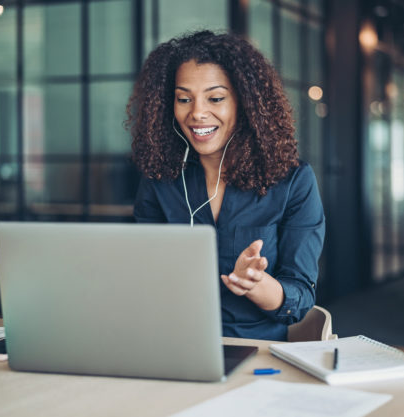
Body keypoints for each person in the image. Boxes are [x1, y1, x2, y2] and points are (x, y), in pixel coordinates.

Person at [128, 30, 325, 341]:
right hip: (171, 343)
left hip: (255, 350)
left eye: (215, 98)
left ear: (244, 103)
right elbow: (141, 276)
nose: (197, 113)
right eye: (183, 99)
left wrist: (257, 285)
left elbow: (300, 297)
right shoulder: (159, 179)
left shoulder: (292, 181)